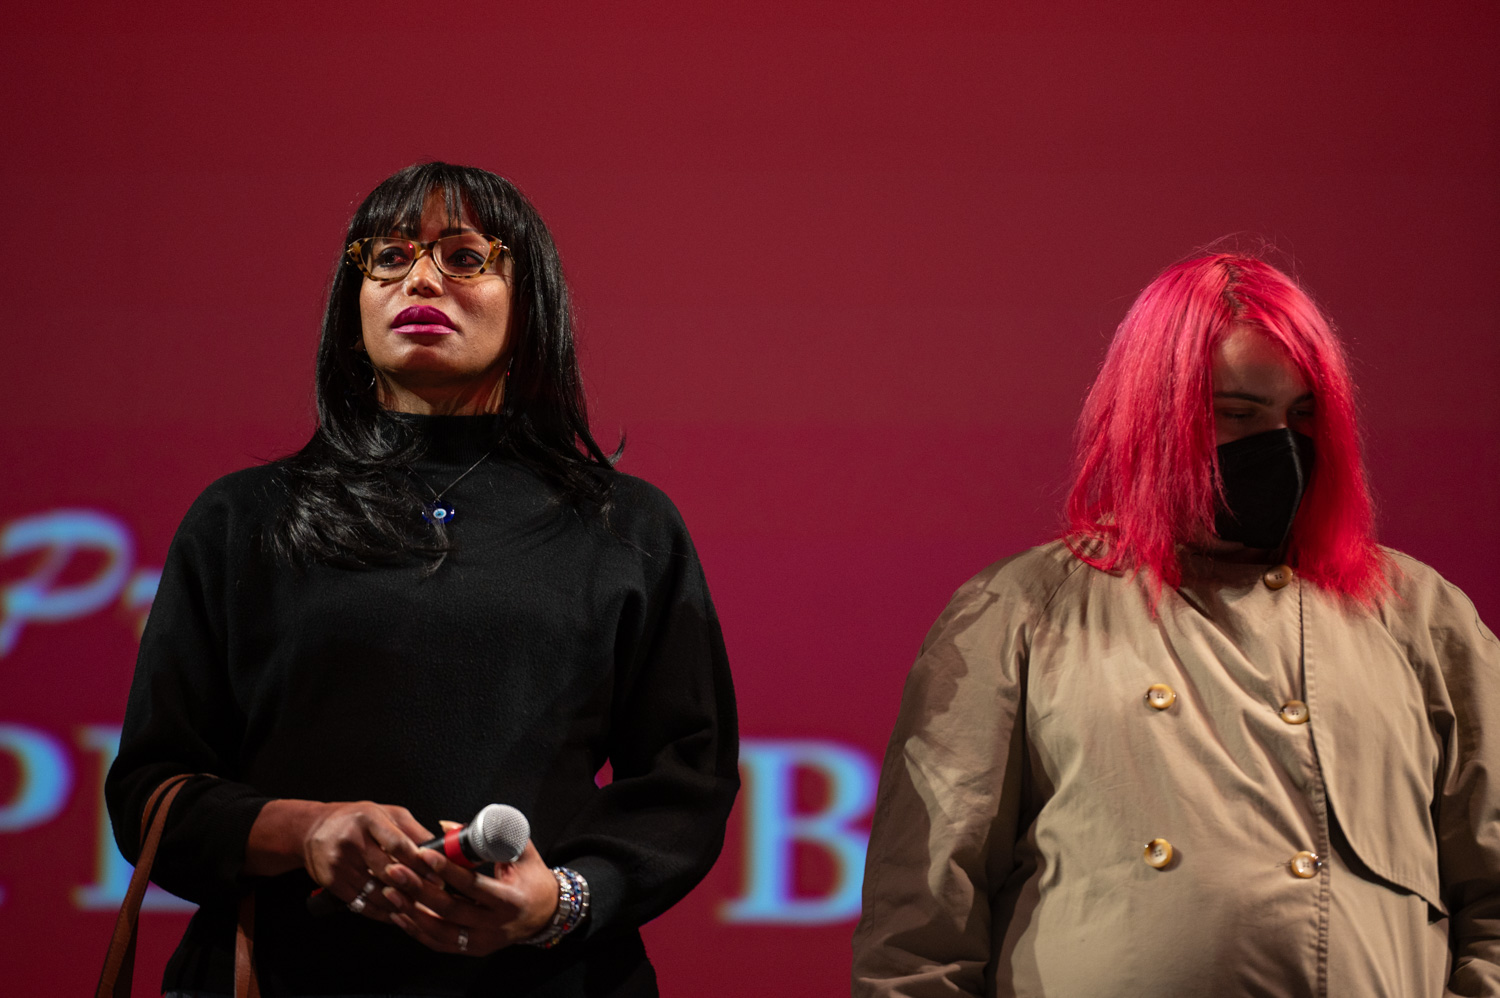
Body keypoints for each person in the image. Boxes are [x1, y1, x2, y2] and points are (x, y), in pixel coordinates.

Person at [106, 162, 739, 997]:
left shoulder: (627, 526)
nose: (421, 279)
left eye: (464, 257)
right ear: (353, 306)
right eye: (390, 257)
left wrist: (557, 901)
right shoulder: (243, 516)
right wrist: (306, 831)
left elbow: (685, 781)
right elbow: (151, 789)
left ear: (530, 303)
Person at [850, 253, 1500, 996]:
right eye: (1239, 414)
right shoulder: (1021, 611)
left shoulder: (1421, 616)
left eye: (1304, 415)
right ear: (1156, 417)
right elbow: (919, 937)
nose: (1281, 444)